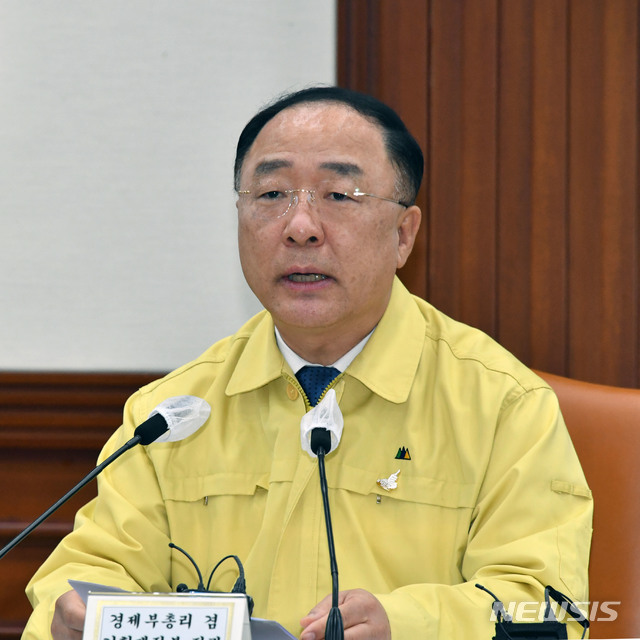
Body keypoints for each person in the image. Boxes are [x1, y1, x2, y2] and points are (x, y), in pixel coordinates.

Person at [23, 86, 592, 640]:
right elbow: (89, 574)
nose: (300, 227)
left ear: (403, 234)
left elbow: (549, 611)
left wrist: (408, 626)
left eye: (339, 196)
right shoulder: (171, 414)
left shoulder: (501, 404)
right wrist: (69, 617)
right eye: (271, 196)